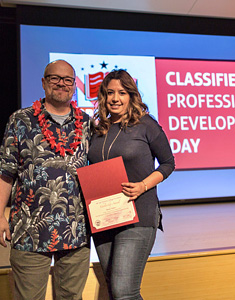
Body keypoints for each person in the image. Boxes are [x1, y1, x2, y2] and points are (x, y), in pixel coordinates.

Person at [0, 60, 91, 300]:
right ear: (44, 82)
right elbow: (5, 171)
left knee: (71, 297)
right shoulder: (21, 120)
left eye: (68, 79)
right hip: (30, 230)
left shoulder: (87, 124)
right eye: (54, 78)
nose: (61, 84)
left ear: (74, 85)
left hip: (75, 232)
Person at [88, 69, 175, 300]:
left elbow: (168, 163)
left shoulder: (146, 125)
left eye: (122, 93)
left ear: (131, 96)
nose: (115, 98)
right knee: (115, 289)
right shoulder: (98, 130)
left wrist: (142, 186)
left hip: (138, 216)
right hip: (105, 218)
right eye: (110, 93)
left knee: (125, 292)